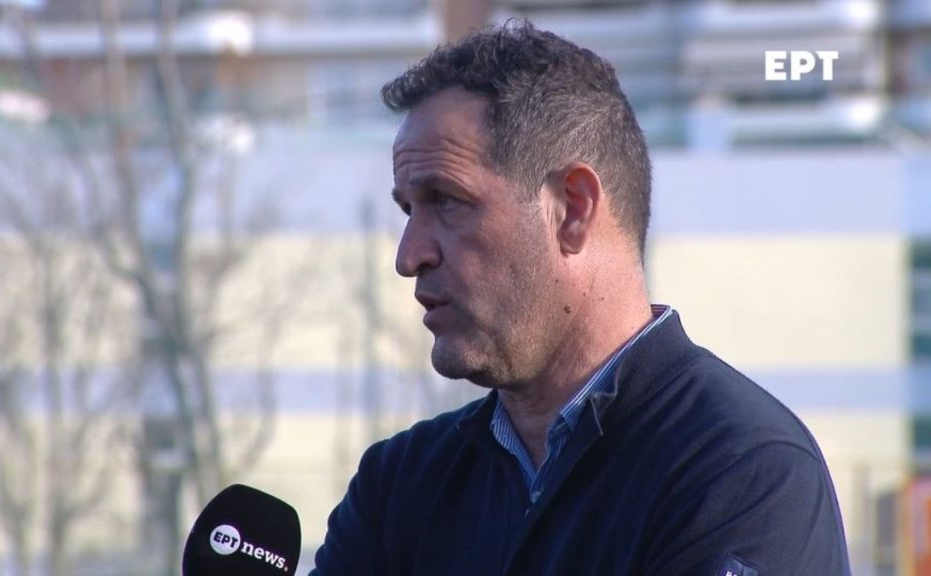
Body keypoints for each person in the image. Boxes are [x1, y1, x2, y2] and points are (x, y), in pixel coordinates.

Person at [312, 20, 850, 576]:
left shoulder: (741, 469)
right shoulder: (399, 485)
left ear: (572, 209)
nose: (409, 256)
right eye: (408, 210)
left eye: (446, 201)